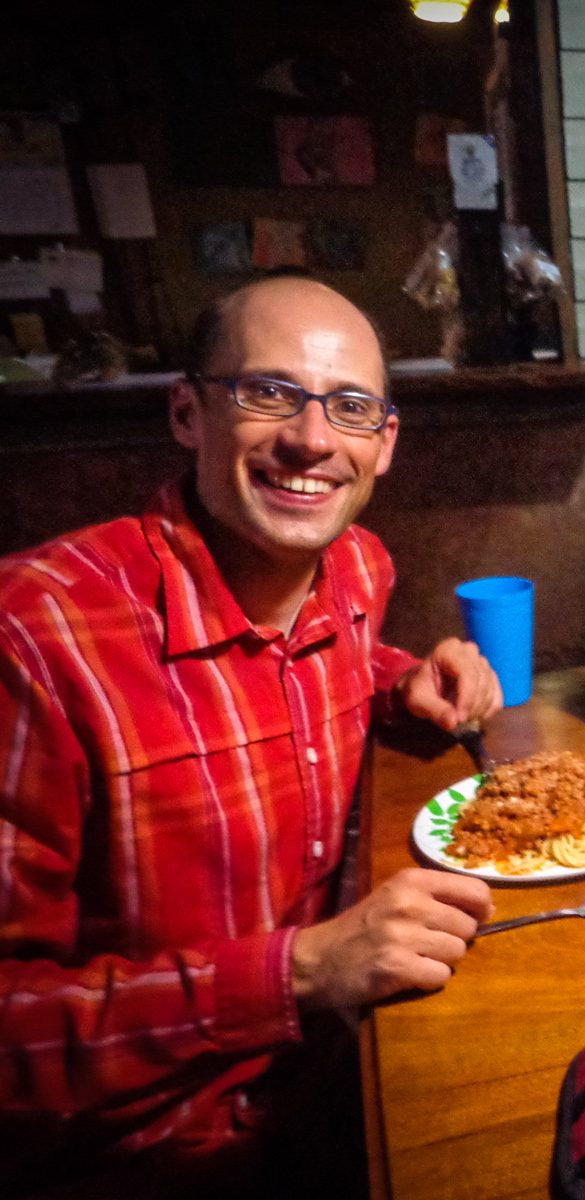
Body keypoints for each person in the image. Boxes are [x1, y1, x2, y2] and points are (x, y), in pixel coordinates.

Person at [0, 277, 502, 1192]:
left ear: (384, 443)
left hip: (344, 1072)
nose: (312, 438)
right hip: (148, 1156)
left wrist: (401, 683)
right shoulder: (34, 635)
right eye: (268, 392)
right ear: (187, 413)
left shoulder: (356, 566)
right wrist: (299, 973)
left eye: (350, 407)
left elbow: (323, 660)